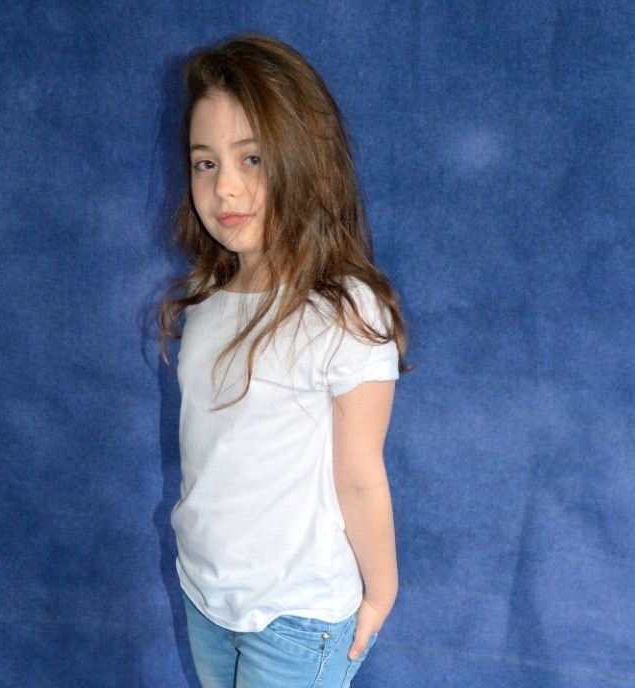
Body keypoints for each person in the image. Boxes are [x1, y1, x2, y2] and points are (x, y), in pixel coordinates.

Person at [159, 33, 408, 688]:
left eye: (253, 159)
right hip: (206, 594)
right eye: (205, 162)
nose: (225, 187)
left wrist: (380, 590)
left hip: (296, 617)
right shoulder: (209, 297)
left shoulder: (343, 312)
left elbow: (360, 476)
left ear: (308, 163)